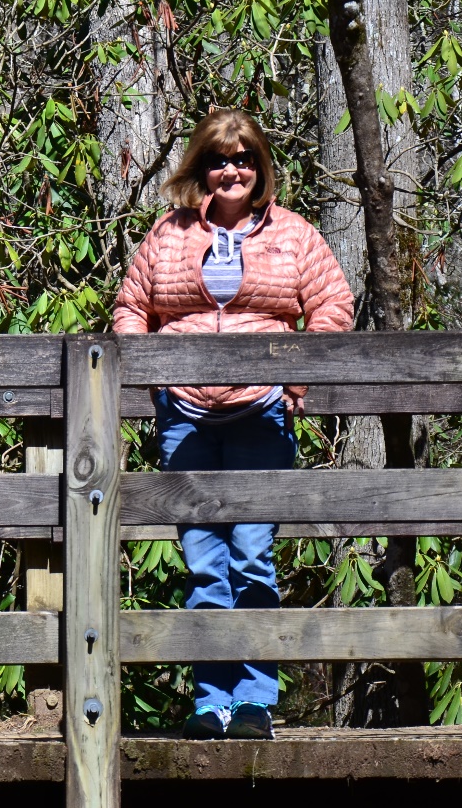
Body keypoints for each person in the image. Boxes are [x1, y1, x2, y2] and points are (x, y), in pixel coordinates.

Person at [113, 108, 354, 741]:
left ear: (260, 167)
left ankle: (253, 700)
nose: (232, 170)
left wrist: (296, 376)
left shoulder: (293, 234)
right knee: (203, 563)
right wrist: (152, 378)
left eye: (244, 158)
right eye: (220, 159)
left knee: (251, 557)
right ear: (202, 168)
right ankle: (208, 701)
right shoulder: (167, 235)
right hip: (185, 417)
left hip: (260, 414)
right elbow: (130, 308)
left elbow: (333, 303)